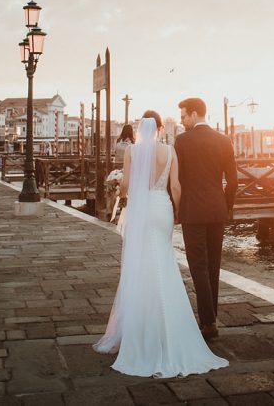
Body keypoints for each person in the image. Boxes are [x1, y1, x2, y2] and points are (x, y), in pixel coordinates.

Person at [93, 112, 227, 377]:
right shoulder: (170, 150)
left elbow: (128, 186)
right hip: (162, 208)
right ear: (160, 128)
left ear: (141, 127)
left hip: (141, 209)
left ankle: (140, 329)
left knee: (140, 264)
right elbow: (175, 186)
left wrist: (119, 189)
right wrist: (177, 211)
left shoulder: (132, 150)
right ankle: (172, 330)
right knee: (164, 263)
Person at [173, 97, 237, 340]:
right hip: (216, 210)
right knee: (213, 265)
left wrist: (175, 207)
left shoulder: (182, 141)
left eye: (183, 116)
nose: (182, 121)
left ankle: (209, 322)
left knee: (198, 265)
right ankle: (211, 318)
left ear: (194, 113)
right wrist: (227, 206)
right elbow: (233, 180)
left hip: (192, 211)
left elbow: (176, 180)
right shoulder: (223, 140)